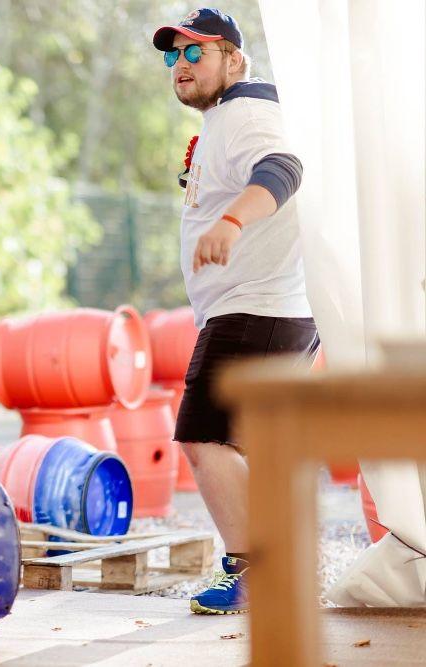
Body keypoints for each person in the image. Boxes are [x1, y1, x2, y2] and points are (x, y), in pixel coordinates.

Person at [152, 9, 319, 614]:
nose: (181, 65)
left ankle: (258, 572)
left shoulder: (246, 113)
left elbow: (283, 169)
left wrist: (230, 220)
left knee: (204, 437)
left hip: (254, 308)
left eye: (195, 52)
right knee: (244, 447)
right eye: (172, 55)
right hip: (267, 308)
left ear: (234, 58)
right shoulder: (227, 116)